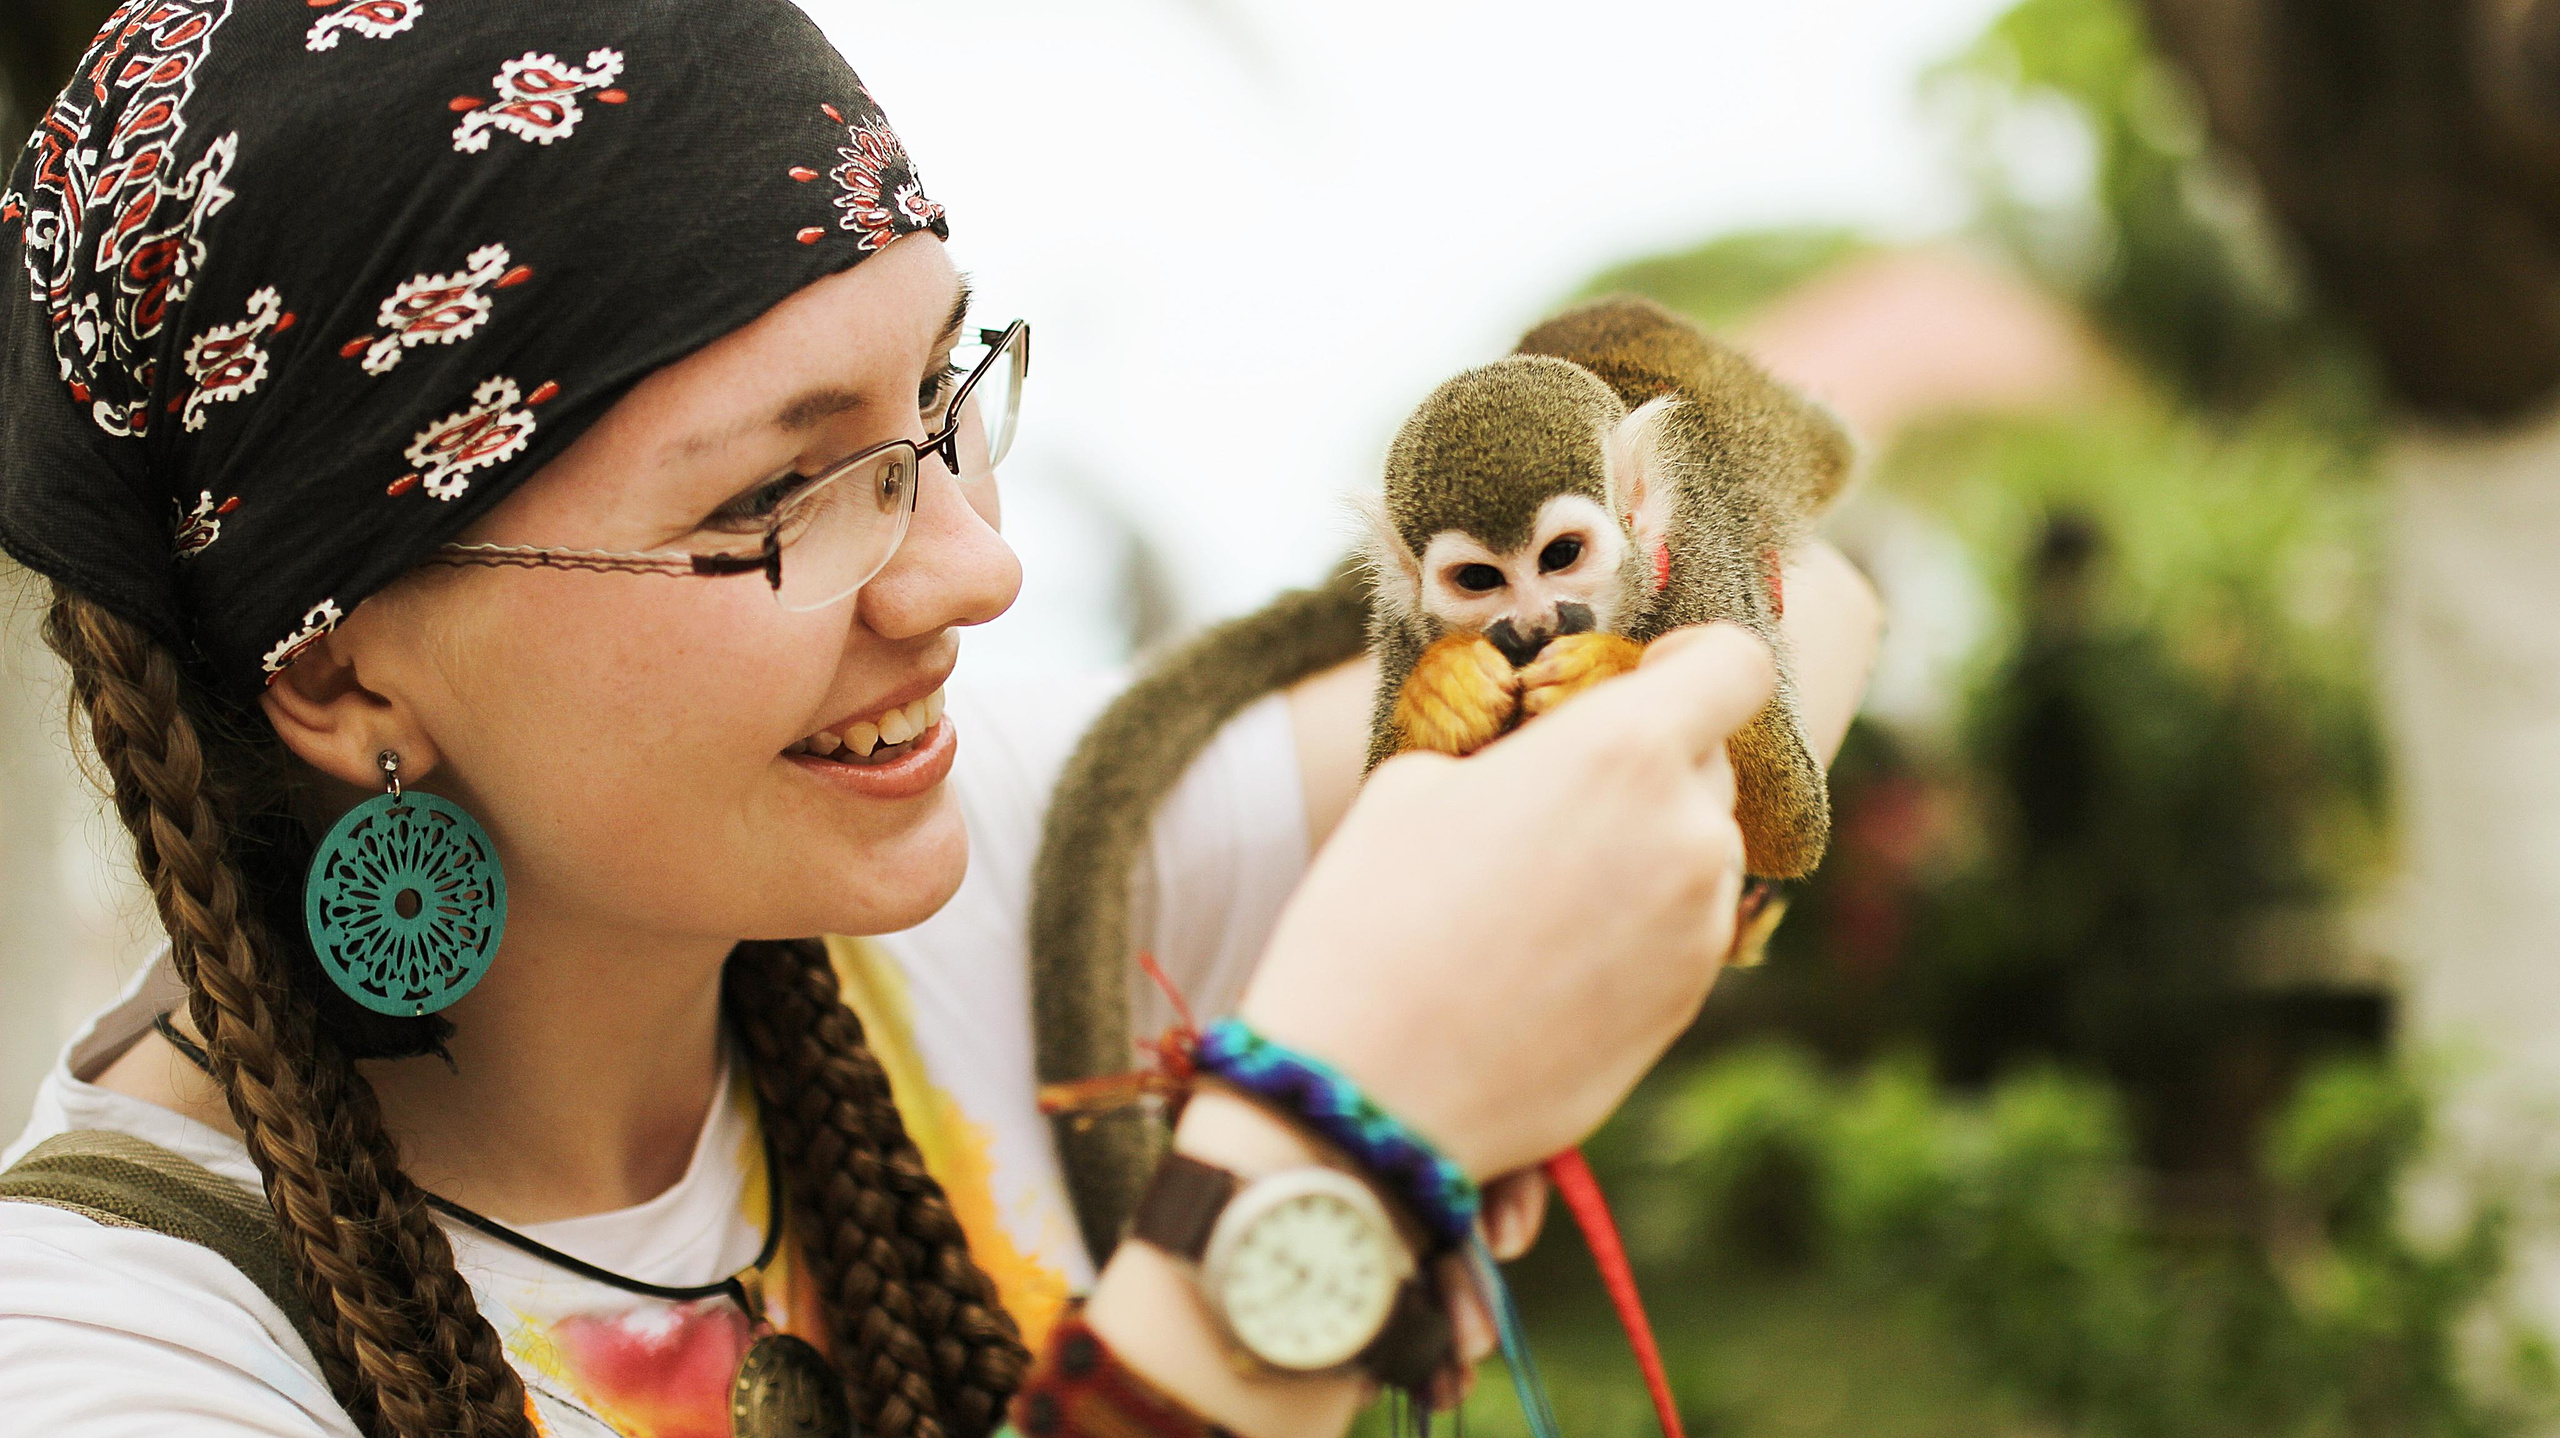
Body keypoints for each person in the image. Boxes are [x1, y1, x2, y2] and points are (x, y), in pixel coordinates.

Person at [0, 4, 1878, 1436]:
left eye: (940, 396)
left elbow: (1795, 585)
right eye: (779, 493)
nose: (977, 567)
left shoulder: (1012, 870)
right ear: (337, 670)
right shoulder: (117, 1356)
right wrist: (1313, 1182)